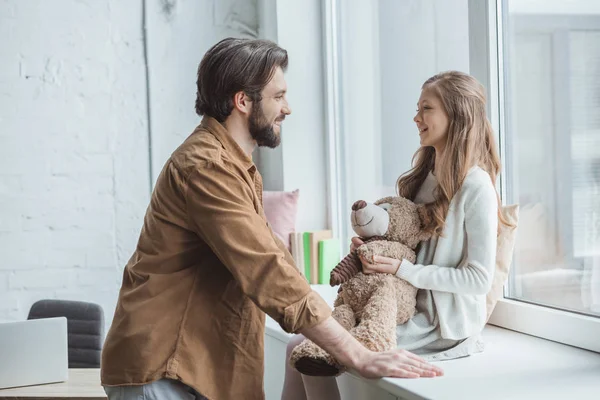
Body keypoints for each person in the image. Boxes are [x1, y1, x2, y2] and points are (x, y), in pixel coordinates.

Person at [100, 38, 443, 400]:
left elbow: (275, 259)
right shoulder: (207, 167)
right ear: (243, 101)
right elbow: (266, 270)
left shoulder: (234, 166)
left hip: (183, 368)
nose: (287, 108)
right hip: (162, 370)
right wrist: (357, 354)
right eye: (278, 97)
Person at [281, 70, 510, 400]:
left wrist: (401, 270)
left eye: (426, 108)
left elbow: (478, 279)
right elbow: (407, 240)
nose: (416, 118)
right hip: (401, 303)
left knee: (307, 347)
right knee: (299, 343)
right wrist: (374, 250)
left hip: (437, 324)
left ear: (456, 113)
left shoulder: (477, 187)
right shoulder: (425, 177)